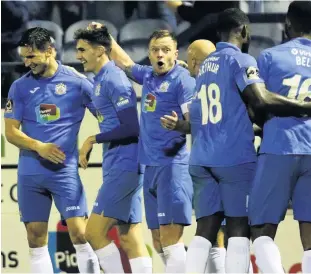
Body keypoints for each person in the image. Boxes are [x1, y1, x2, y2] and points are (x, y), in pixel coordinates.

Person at [178, 8, 311, 273]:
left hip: (201, 157)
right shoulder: (241, 60)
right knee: (238, 229)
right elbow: (261, 98)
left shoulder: (204, 68)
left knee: (205, 231)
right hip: (233, 158)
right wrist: (305, 107)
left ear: (218, 33)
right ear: (244, 31)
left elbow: (207, 114)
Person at [90, 22, 195, 273]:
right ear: (149, 54)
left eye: (166, 50)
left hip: (173, 168)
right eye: (155, 50)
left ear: (175, 54)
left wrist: (179, 125)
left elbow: (194, 124)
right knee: (158, 240)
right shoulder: (147, 75)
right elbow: (125, 63)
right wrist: (106, 36)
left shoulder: (183, 81)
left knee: (171, 241)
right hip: (150, 168)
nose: (160, 55)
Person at [249, 2, 311, 273]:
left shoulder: (269, 57)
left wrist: (266, 124)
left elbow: (256, 106)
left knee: (261, 229)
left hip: (278, 148)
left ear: (287, 24)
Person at [3, 27, 100, 273]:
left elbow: (105, 115)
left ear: (49, 51)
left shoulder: (78, 82)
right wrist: (39, 147)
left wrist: (93, 139)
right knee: (36, 239)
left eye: (32, 56)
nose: (26, 63)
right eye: (24, 56)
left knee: (80, 235)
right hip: (31, 173)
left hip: (64, 172)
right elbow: (11, 132)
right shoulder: (19, 87)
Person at [74, 26, 152, 273]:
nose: (78, 56)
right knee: (129, 236)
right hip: (121, 161)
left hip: (125, 163)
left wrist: (91, 140)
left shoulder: (114, 78)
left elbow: (131, 127)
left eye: (82, 50)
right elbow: (109, 116)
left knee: (94, 233)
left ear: (99, 51)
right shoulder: (100, 79)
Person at [161, 39, 227, 274]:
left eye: (190, 58)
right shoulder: (213, 81)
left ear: (196, 61)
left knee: (218, 233)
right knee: (215, 232)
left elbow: (196, 124)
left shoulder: (206, 86)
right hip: (213, 165)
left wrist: (180, 125)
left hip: (217, 166)